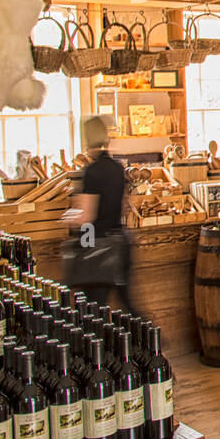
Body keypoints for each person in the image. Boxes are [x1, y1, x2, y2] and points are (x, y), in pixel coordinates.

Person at [62, 117, 131, 311]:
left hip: (98, 248)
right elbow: (122, 205)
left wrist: (67, 218)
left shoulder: (92, 171)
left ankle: (97, 341)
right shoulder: (118, 168)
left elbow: (86, 218)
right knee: (128, 306)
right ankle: (153, 340)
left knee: (92, 309)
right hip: (120, 243)